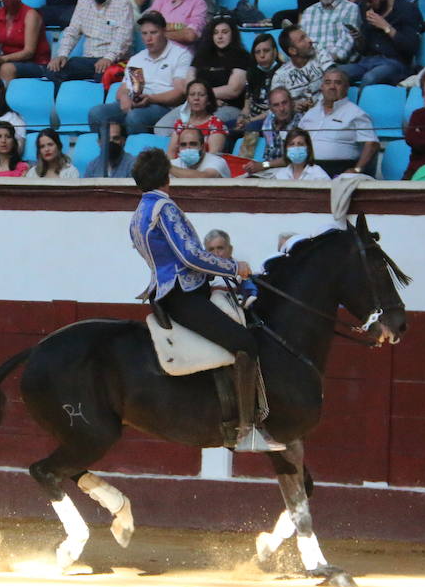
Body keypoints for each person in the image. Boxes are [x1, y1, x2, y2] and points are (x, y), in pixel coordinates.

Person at [129, 147, 281, 452]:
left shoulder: (138, 214)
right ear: (166, 176)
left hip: (166, 292)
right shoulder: (164, 209)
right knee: (246, 343)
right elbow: (191, 255)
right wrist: (233, 267)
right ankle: (247, 429)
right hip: (184, 294)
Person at [87, 11, 192, 136]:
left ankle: (136, 152)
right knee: (97, 113)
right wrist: (125, 98)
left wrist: (150, 99)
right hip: (136, 102)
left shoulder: (180, 55)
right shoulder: (137, 59)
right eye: (144, 33)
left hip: (163, 106)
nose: (148, 38)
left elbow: (179, 93)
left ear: (164, 32)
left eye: (153, 33)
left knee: (135, 117)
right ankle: (109, 151)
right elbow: (123, 89)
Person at [48, 0, 134, 82]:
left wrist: (108, 58)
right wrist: (62, 55)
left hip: (113, 60)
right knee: (54, 70)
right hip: (88, 60)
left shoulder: (122, 2)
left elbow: (124, 38)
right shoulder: (83, 2)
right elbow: (72, 32)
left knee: (104, 75)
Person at [341, 0, 420, 86]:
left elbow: (411, 47)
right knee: (335, 74)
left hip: (395, 63)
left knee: (370, 78)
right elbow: (364, 49)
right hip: (367, 61)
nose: (367, 3)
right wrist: (359, 39)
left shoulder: (407, 10)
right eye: (363, 0)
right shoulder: (365, 7)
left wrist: (386, 27)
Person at [298, 67, 377, 177]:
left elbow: (371, 144)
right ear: (322, 87)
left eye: (338, 83)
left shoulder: (356, 113)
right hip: (307, 168)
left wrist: (357, 169)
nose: (332, 87)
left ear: (346, 88)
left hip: (338, 171)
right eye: (327, 83)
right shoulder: (311, 113)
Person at [182, 17, 249, 129]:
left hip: (228, 106)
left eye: (225, 32)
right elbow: (188, 86)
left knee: (200, 127)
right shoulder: (201, 55)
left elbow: (234, 89)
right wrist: (207, 98)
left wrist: (204, 96)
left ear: (233, 34)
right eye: (215, 33)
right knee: (162, 127)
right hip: (196, 104)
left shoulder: (242, 56)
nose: (220, 36)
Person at [299, 0, 359, 70]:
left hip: (336, 66)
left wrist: (320, 62)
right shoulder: (308, 12)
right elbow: (301, 44)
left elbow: (344, 48)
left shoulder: (351, 9)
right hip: (309, 66)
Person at [270, 24, 330, 112]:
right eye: (302, 39)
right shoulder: (280, 76)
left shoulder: (319, 54)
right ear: (292, 51)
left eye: (306, 36)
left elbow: (334, 77)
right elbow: (275, 106)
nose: (309, 40)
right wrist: (292, 106)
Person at [159, 77, 226, 152]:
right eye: (192, 94)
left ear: (209, 100)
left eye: (201, 95)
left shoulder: (216, 124)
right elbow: (171, 153)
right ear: (187, 99)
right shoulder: (181, 124)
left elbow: (213, 156)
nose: (196, 98)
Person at [242, 85, 301, 169]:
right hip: (269, 170)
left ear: (292, 103)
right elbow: (266, 157)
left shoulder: (300, 123)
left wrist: (263, 165)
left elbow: (292, 158)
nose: (281, 108)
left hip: (290, 171)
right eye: (276, 105)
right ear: (271, 108)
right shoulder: (268, 123)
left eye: (284, 103)